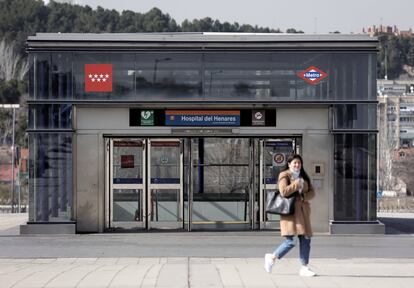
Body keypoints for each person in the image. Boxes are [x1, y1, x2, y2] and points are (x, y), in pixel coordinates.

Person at [264, 154, 316, 277]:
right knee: (291, 241)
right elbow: (283, 192)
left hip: (303, 212)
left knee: (306, 239)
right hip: (291, 213)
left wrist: (304, 196)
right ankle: (272, 257)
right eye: (294, 163)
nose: (297, 165)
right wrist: (296, 184)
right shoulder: (285, 175)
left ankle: (304, 267)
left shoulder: (304, 176)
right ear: (289, 164)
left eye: (299, 163)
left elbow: (312, 193)